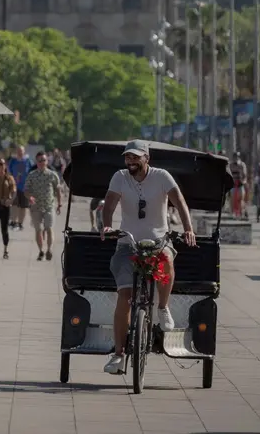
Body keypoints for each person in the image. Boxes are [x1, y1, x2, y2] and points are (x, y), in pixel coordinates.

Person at [99, 140, 196, 375]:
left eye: (135, 157)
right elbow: (109, 204)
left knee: (166, 258)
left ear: (146, 158)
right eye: (127, 157)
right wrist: (107, 226)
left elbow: (179, 201)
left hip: (157, 242)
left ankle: (163, 307)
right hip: (127, 244)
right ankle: (119, 354)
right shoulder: (119, 177)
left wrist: (188, 228)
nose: (130, 161)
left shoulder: (161, 176)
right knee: (125, 295)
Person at [23, 151, 62, 261]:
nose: (42, 163)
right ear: (37, 162)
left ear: (47, 161)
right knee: (38, 229)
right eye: (39, 161)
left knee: (49, 228)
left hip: (49, 206)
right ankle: (41, 251)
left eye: (44, 160)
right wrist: (29, 197)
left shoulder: (52, 175)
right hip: (35, 207)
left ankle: (49, 249)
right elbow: (26, 190)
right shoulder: (32, 175)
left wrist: (59, 204)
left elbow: (58, 189)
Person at [8, 146, 33, 230]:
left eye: (21, 151)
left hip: (25, 187)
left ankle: (20, 223)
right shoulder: (13, 161)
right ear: (16, 151)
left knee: (23, 206)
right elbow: (9, 171)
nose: (20, 152)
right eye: (18, 151)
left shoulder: (28, 161)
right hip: (14, 187)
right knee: (14, 205)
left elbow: (32, 171)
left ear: (24, 151)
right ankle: (13, 221)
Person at [229, 151, 248, 219]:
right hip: (233, 185)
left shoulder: (242, 165)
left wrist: (243, 181)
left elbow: (245, 176)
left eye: (237, 156)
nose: (236, 158)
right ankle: (232, 213)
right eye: (234, 156)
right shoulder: (230, 165)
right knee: (232, 199)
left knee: (241, 199)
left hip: (240, 185)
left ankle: (241, 213)